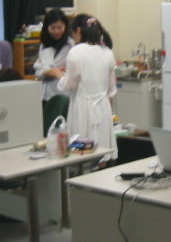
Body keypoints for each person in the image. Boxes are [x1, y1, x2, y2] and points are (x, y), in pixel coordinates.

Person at [57, 15, 118, 160]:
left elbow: (69, 85)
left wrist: (58, 75)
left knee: (81, 152)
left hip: (82, 106)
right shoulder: (107, 52)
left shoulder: (76, 52)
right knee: (103, 148)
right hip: (103, 107)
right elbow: (111, 90)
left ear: (78, 31)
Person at [34, 9, 75, 102]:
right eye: (53, 28)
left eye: (60, 28)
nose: (56, 31)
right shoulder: (44, 44)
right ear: (46, 27)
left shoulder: (71, 45)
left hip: (63, 94)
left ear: (65, 26)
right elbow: (38, 69)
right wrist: (46, 72)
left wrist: (53, 71)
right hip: (45, 94)